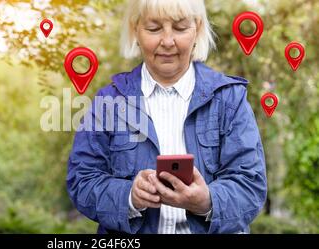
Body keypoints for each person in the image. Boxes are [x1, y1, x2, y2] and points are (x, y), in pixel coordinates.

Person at [67, 0, 267, 234]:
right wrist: (129, 196)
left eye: (181, 28)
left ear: (197, 29)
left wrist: (207, 201)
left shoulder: (230, 99)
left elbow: (250, 184)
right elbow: (82, 179)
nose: (168, 41)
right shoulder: (108, 102)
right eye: (153, 28)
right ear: (135, 30)